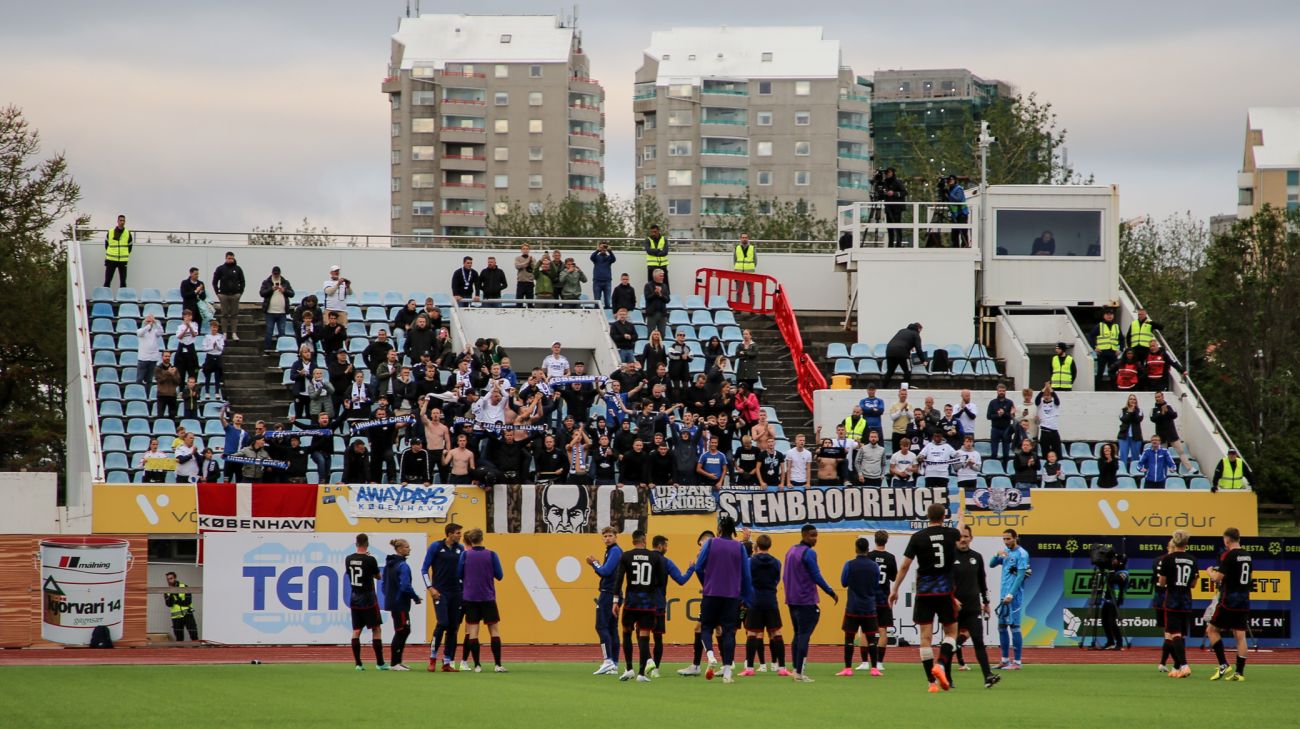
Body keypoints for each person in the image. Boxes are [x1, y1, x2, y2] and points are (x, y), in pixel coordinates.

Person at [889, 502, 961, 692]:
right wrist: (961, 517)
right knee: (952, 633)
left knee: (925, 638)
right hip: (945, 591)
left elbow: (904, 566)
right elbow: (960, 530)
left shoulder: (918, 537)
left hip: (924, 591)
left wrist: (895, 589)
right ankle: (941, 665)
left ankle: (931, 682)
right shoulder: (951, 534)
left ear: (927, 517)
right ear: (944, 517)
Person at [694, 516, 753, 684]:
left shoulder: (711, 543)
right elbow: (746, 575)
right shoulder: (739, 547)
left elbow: (698, 567)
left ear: (719, 529)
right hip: (731, 596)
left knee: (706, 628)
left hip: (711, 593)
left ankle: (711, 656)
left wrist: (706, 583)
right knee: (729, 632)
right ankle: (727, 672)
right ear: (733, 530)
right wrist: (747, 598)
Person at [781, 524, 838, 683]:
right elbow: (816, 575)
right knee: (804, 635)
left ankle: (795, 670)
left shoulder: (791, 550)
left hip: (792, 600)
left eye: (816, 535)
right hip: (805, 600)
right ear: (804, 535)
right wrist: (830, 591)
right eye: (812, 535)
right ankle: (799, 672)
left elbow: (785, 576)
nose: (815, 539)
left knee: (797, 634)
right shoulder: (809, 553)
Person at [611, 530, 665, 682]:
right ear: (644, 540)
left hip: (631, 602)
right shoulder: (654, 557)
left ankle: (629, 669)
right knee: (644, 636)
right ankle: (641, 674)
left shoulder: (626, 556)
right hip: (648, 604)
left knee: (626, 633)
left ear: (633, 540)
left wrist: (616, 601)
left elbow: (619, 579)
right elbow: (661, 580)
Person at [952, 526, 1000, 688]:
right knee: (950, 643)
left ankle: (987, 676)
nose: (963, 540)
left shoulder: (977, 557)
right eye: (960, 537)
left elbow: (982, 582)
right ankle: (946, 676)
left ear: (971, 538)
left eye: (966, 536)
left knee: (978, 641)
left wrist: (986, 602)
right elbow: (943, 582)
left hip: (973, 608)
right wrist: (951, 599)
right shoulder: (949, 557)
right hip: (954, 608)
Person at [457, 528, 506, 672]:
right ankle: (497, 664)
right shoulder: (491, 554)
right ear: (482, 538)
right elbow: (500, 575)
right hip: (488, 597)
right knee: (494, 631)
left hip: (470, 597)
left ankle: (477, 665)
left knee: (473, 631)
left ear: (470, 540)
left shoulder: (465, 555)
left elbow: (459, 574)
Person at [1206, 527, 1251, 682]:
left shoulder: (1229, 555)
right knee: (1240, 636)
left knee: (1211, 630)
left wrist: (1209, 572)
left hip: (1229, 601)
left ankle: (1223, 664)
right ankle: (1240, 673)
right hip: (1244, 600)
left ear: (1227, 540)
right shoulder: (1247, 555)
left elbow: (1217, 578)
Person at [422, 522, 465, 672]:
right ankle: (432, 658)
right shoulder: (436, 546)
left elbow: (463, 571)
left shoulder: (460, 549)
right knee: (443, 623)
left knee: (453, 627)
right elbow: (424, 569)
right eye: (458, 533)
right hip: (440, 592)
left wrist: (463, 589)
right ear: (450, 533)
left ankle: (447, 661)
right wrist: (430, 588)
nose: (460, 535)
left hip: (456, 593)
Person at [741, 534, 786, 676]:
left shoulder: (750, 562)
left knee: (752, 633)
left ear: (757, 546)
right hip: (771, 600)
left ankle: (749, 668)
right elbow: (777, 579)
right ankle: (782, 668)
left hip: (755, 600)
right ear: (769, 545)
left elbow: (746, 579)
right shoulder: (777, 562)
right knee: (776, 632)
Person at [836, 537, 881, 677]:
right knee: (872, 639)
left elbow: (843, 582)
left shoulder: (849, 565)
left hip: (853, 607)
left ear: (856, 549)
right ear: (868, 549)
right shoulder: (874, 566)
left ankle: (848, 668)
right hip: (869, 607)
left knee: (849, 638)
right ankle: (874, 668)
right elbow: (876, 585)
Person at [1157, 529, 1197, 678]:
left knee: (1174, 634)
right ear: (1187, 543)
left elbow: (1162, 582)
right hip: (1186, 600)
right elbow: (1193, 583)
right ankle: (1176, 667)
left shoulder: (1168, 559)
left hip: (1172, 599)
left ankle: (1184, 665)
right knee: (1180, 635)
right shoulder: (1192, 559)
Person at [989, 529, 1030, 669]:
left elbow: (1020, 576)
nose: (1006, 541)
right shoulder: (1006, 552)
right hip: (1003, 596)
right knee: (1001, 627)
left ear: (1015, 538)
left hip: (1014, 597)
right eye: (1004, 539)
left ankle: (1017, 662)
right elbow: (991, 564)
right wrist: (996, 555)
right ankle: (1004, 660)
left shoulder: (1022, 554)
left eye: (1008, 539)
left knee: (1015, 627)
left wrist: (1011, 594)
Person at [345, 533, 386, 671]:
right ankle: (380, 663)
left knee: (356, 630)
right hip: (368, 598)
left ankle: (358, 664)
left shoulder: (348, 559)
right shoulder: (370, 559)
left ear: (356, 543)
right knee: (376, 628)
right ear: (367, 543)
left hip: (354, 597)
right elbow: (378, 576)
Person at [587, 526, 624, 676]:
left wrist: (594, 563)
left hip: (608, 594)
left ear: (616, 536)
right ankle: (614, 664)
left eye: (610, 535)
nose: (607, 538)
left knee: (601, 626)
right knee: (611, 628)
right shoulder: (612, 550)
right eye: (605, 536)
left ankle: (608, 660)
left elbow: (606, 572)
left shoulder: (615, 550)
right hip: (614, 593)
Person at [382, 538, 422, 671]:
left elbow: (383, 585)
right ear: (399, 549)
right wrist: (415, 597)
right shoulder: (403, 566)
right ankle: (395, 663)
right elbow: (405, 586)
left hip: (393, 601)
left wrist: (389, 596)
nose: (409, 549)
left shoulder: (390, 564)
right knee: (402, 630)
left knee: (402, 630)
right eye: (406, 547)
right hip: (400, 603)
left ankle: (398, 661)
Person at [865, 531, 898, 674]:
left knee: (866, 630)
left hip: (870, 597)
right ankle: (879, 662)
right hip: (884, 597)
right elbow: (893, 577)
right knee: (883, 630)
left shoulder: (869, 556)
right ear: (886, 541)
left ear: (875, 540)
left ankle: (865, 662)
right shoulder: (890, 558)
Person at [1150, 392, 1194, 473]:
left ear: (1162, 397)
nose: (1157, 398)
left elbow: (1174, 415)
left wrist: (1167, 411)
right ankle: (1162, 471)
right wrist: (1162, 413)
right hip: (1161, 436)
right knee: (1162, 454)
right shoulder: (1154, 409)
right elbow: (1153, 419)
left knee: (1181, 451)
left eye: (1159, 397)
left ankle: (1190, 468)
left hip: (1172, 434)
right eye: (1156, 397)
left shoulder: (1168, 407)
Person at [210, 251, 245, 341]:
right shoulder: (220, 268)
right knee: (224, 314)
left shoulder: (238, 269)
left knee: (234, 314)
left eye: (232, 258)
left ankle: (234, 333)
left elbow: (242, 281)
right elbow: (214, 281)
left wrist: (240, 293)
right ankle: (224, 333)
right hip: (224, 295)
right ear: (226, 258)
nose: (230, 260)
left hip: (234, 295)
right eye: (229, 258)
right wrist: (218, 293)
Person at [258, 266, 294, 351]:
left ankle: (282, 349)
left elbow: (292, 294)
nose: (276, 275)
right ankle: (267, 349)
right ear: (272, 273)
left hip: (282, 312)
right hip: (270, 312)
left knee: (282, 332)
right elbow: (262, 293)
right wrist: (271, 289)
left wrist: (284, 290)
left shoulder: (285, 282)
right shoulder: (266, 282)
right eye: (275, 274)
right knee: (269, 331)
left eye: (277, 274)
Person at [882, 323, 925, 389]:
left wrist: (910, 346)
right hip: (902, 353)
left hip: (890, 351)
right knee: (908, 371)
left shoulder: (902, 330)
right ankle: (905, 388)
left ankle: (883, 388)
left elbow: (901, 341)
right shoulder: (916, 334)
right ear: (918, 329)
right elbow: (918, 349)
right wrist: (923, 360)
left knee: (890, 371)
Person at [163, 571, 198, 641]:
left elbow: (187, 602)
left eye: (171, 578)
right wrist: (172, 593)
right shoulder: (167, 591)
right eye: (168, 579)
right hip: (176, 616)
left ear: (175, 578)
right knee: (179, 638)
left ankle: (197, 650)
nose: (169, 580)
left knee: (194, 634)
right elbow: (169, 604)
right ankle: (180, 651)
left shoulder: (184, 587)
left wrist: (176, 599)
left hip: (187, 614)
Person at [986, 384, 1015, 463]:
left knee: (1006, 453)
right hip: (995, 429)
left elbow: (1012, 416)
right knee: (994, 452)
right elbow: (988, 416)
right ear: (997, 391)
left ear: (1005, 391)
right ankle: (993, 469)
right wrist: (998, 415)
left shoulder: (1010, 402)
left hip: (1006, 430)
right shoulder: (992, 402)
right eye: (1000, 391)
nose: (1001, 392)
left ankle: (1005, 470)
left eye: (1003, 391)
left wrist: (1004, 413)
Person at [1090, 308, 1122, 381]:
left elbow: (1122, 339)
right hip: (1102, 353)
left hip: (1113, 353)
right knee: (1100, 372)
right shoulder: (1099, 326)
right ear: (1104, 316)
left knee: (1113, 372)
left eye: (1111, 314)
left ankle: (1114, 389)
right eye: (1107, 315)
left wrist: (1120, 349)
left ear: (1113, 316)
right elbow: (1091, 336)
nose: (1109, 316)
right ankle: (1098, 389)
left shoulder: (1116, 326)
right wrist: (1094, 347)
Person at [880, 168, 908, 247]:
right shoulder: (885, 183)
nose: (887, 174)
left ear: (893, 173)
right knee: (889, 227)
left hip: (897, 208)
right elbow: (882, 194)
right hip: (888, 207)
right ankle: (890, 244)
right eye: (886, 172)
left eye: (889, 172)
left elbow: (905, 192)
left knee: (897, 225)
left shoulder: (897, 182)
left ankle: (899, 244)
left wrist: (894, 193)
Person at [1035, 383, 1062, 460]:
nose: (1047, 397)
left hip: (1054, 432)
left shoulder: (1055, 404)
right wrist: (1043, 389)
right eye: (1045, 395)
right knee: (1045, 452)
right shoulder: (1040, 404)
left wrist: (1050, 388)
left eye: (1048, 395)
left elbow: (1057, 399)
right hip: (1044, 432)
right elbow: (1037, 399)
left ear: (1051, 396)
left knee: (1057, 453)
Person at [199, 320, 225, 400]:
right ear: (211, 328)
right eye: (213, 327)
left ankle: (217, 392)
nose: (214, 329)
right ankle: (207, 392)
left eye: (216, 327)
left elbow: (222, 348)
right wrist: (211, 347)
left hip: (217, 357)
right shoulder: (207, 337)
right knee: (208, 376)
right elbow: (204, 348)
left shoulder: (220, 337)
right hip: (210, 356)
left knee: (217, 376)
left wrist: (217, 345)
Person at [1117, 393, 1144, 467]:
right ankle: (1123, 471)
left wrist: (1133, 411)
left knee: (1135, 456)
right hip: (1124, 436)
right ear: (1128, 401)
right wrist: (1129, 412)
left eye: (1134, 399)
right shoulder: (1123, 410)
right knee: (1123, 455)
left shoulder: (1139, 410)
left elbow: (1138, 419)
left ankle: (1135, 471)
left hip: (1136, 436)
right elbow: (1124, 419)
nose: (1132, 400)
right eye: (1131, 399)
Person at [589, 242, 616, 308]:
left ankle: (606, 317)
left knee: (607, 302)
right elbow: (591, 257)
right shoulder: (596, 257)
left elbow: (614, 259)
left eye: (604, 247)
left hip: (607, 282)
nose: (603, 249)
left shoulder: (609, 257)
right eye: (602, 247)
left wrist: (610, 251)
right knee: (597, 302)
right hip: (597, 282)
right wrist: (598, 250)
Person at [154, 352, 181, 419]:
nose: (167, 358)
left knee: (172, 416)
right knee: (160, 415)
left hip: (172, 395)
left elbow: (178, 381)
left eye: (169, 356)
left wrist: (173, 374)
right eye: (166, 356)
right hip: (162, 395)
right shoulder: (158, 368)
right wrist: (168, 373)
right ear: (162, 357)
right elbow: (160, 380)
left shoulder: (174, 369)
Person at [732, 233, 757, 302]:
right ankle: (738, 308)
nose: (744, 239)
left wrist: (750, 267)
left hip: (749, 272)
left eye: (745, 237)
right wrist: (737, 268)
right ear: (740, 239)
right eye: (743, 237)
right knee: (738, 292)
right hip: (739, 272)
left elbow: (755, 260)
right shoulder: (737, 248)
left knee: (751, 292)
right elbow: (735, 259)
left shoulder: (752, 248)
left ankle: (751, 309)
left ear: (748, 238)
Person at [946, 176, 969, 247]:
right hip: (955, 214)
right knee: (954, 232)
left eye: (952, 179)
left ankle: (964, 246)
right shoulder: (950, 189)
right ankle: (955, 247)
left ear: (955, 180)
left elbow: (959, 199)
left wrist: (949, 194)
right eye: (949, 180)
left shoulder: (958, 188)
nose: (950, 181)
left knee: (963, 231)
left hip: (962, 213)